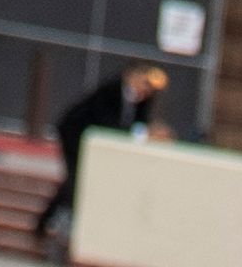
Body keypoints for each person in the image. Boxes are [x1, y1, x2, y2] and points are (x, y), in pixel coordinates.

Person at [39, 61, 172, 249]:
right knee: (76, 178)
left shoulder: (143, 101)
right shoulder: (111, 91)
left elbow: (139, 124)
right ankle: (50, 223)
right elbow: (108, 124)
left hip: (94, 142)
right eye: (145, 84)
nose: (147, 90)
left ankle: (52, 221)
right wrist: (143, 134)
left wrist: (151, 132)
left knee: (78, 180)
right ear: (133, 77)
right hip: (75, 134)